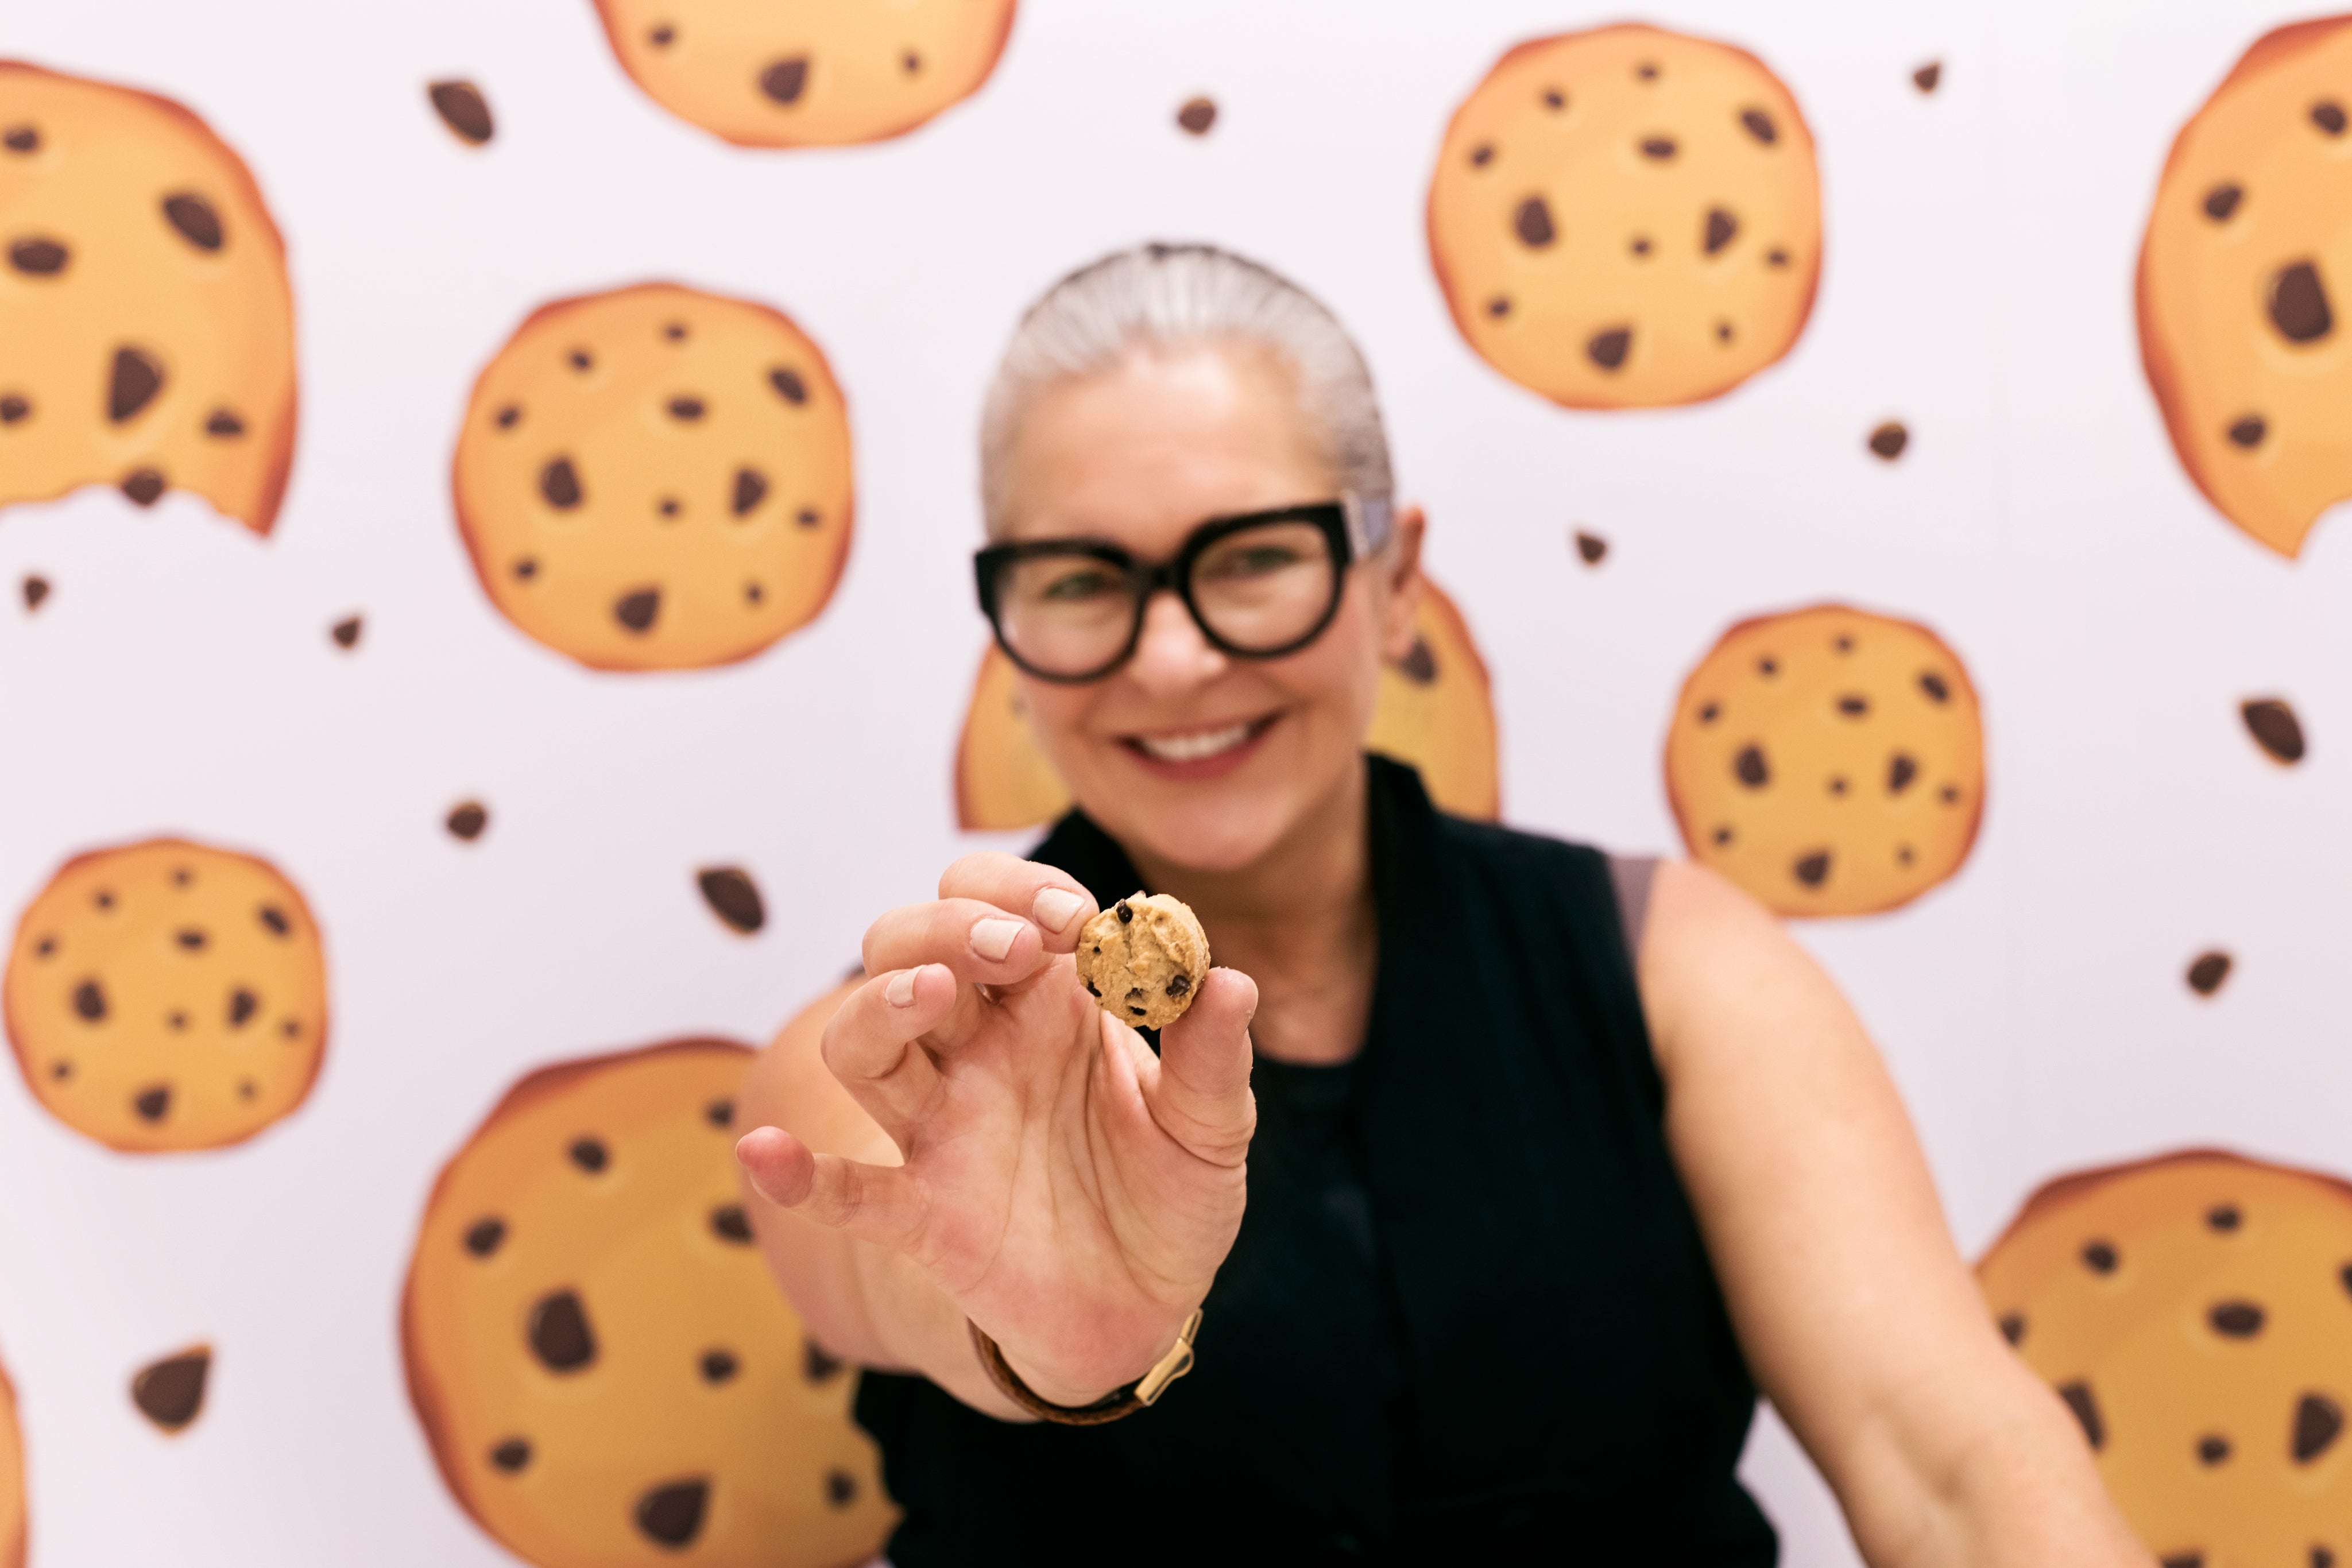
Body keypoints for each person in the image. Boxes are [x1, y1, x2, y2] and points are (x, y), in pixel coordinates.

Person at [732, 243, 2147, 1565]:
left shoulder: (1672, 967)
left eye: (1253, 557)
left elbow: (1947, 1462)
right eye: (1083, 581)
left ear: (1392, 581)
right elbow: (886, 1263)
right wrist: (1048, 1341)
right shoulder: (898, 1059)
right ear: (1011, 633)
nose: (1168, 659)